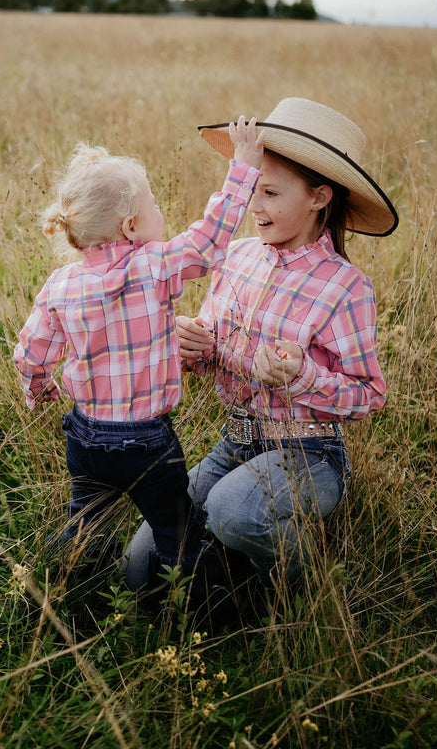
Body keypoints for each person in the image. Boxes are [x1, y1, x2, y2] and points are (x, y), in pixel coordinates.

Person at [124, 97, 398, 607]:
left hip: (311, 453)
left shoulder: (345, 288)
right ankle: (237, 587)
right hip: (236, 442)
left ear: (319, 197)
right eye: (253, 189)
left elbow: (370, 395)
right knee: (142, 566)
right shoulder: (237, 254)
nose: (255, 205)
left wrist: (303, 377)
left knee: (232, 510)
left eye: (270, 192)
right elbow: (210, 345)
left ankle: (305, 583)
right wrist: (195, 345)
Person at [13, 117, 264, 590]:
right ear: (130, 226)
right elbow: (209, 241)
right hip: (147, 444)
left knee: (85, 526)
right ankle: (206, 609)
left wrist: (40, 387)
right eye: (153, 204)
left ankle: (64, 593)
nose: (159, 211)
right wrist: (242, 167)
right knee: (178, 534)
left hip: (85, 438)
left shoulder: (61, 284)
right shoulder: (153, 266)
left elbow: (30, 351)